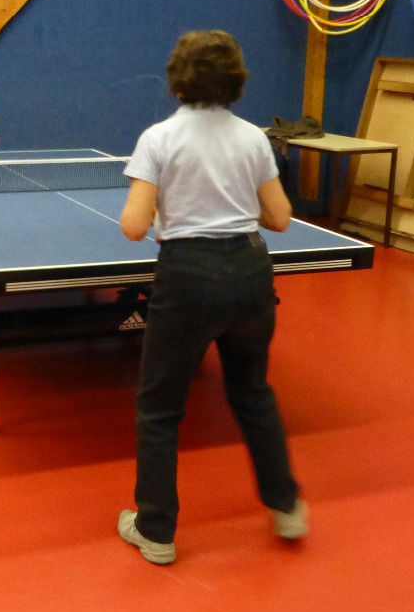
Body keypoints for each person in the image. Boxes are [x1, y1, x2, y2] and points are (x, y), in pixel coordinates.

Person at [116, 29, 307, 566]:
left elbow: (133, 226)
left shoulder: (158, 138)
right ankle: (287, 506)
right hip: (250, 271)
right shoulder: (253, 138)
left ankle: (155, 529)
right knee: (253, 392)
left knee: (159, 408)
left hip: (188, 277)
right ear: (234, 80)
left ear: (178, 79)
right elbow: (280, 218)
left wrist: (168, 208)